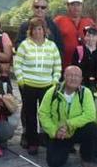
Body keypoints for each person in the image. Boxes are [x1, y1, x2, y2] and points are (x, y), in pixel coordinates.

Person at [13, 17, 62, 155]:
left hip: (47, 85)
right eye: (34, 29)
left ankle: (46, 139)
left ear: (45, 30)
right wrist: (21, 79)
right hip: (28, 84)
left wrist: (55, 80)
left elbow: (57, 65)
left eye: (40, 29)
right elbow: (17, 63)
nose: (37, 32)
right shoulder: (24, 45)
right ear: (30, 31)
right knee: (30, 115)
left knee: (46, 114)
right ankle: (32, 142)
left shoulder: (51, 46)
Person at [38, 66, 97, 167]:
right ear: (64, 76)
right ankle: (66, 147)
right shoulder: (53, 92)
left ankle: (87, 161)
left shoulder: (86, 92)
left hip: (76, 130)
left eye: (77, 76)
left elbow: (90, 115)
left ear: (81, 79)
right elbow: (43, 113)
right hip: (59, 133)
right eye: (70, 75)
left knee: (92, 128)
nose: (73, 78)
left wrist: (68, 124)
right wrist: (54, 131)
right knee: (54, 163)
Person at [55, 0, 93, 68]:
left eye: (78, 5)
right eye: (72, 5)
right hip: (64, 64)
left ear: (82, 6)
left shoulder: (89, 22)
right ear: (68, 6)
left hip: (85, 64)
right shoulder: (59, 20)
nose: (75, 8)